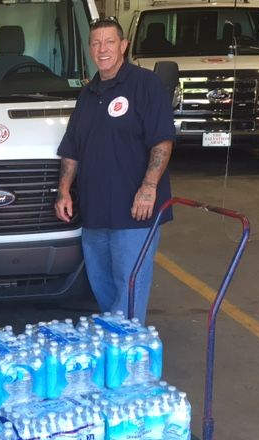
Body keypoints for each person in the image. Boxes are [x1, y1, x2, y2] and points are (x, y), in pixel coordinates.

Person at [55, 18, 175, 323]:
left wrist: (149, 187)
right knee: (103, 287)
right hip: (95, 213)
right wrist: (64, 190)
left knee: (130, 288)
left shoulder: (145, 85)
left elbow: (162, 141)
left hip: (134, 213)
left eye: (109, 42)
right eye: (95, 43)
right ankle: (114, 345)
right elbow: (72, 149)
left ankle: (131, 355)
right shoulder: (87, 94)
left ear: (123, 46)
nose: (102, 49)